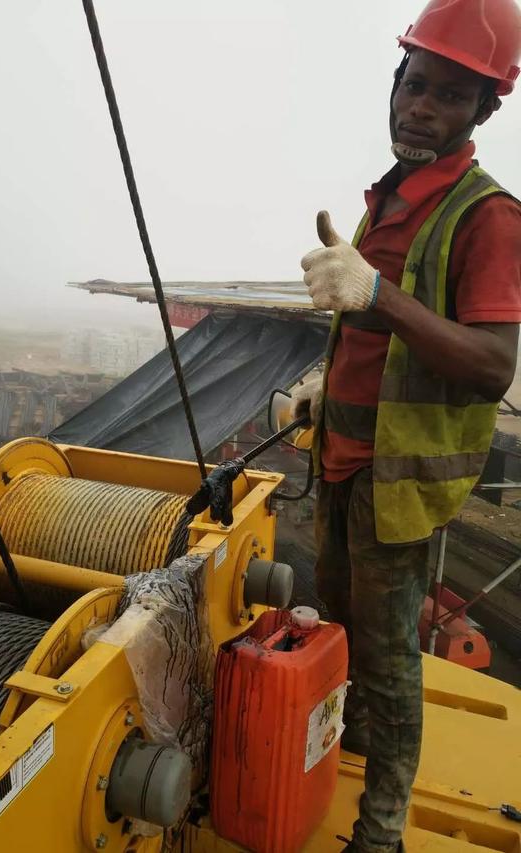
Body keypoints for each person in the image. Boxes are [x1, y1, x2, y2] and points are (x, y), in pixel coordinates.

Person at [290, 1, 521, 850]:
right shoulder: (387, 198)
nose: (422, 107)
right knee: (343, 629)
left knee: (389, 662)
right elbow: (369, 332)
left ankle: (380, 829)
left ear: (483, 112)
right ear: (394, 84)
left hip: (400, 482)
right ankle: (343, 750)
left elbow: (494, 363)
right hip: (346, 461)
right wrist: (326, 384)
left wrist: (378, 296)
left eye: (451, 95)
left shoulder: (487, 216)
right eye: (415, 84)